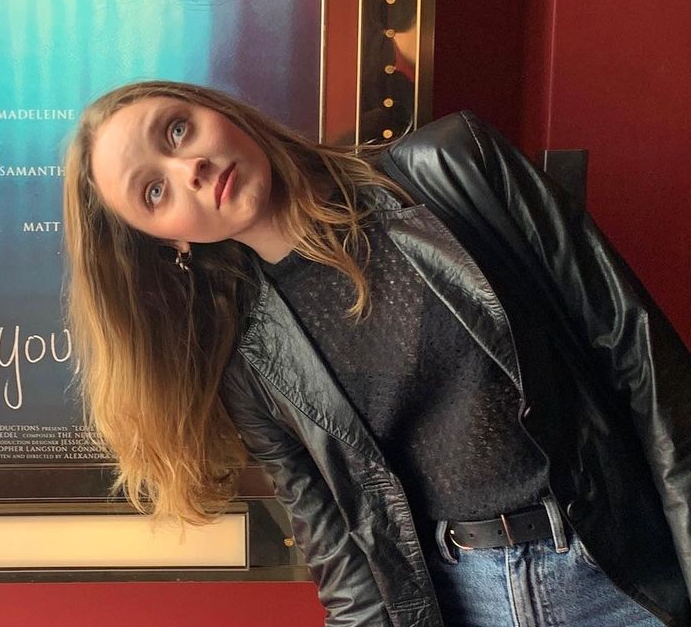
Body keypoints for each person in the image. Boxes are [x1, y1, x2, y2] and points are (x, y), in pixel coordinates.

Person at [62, 79, 691, 627]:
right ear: (167, 242)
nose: (190, 169)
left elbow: (642, 359)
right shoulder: (251, 362)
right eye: (153, 192)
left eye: (177, 130)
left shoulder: (455, 165)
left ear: (218, 110)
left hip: (622, 573)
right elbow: (343, 562)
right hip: (467, 603)